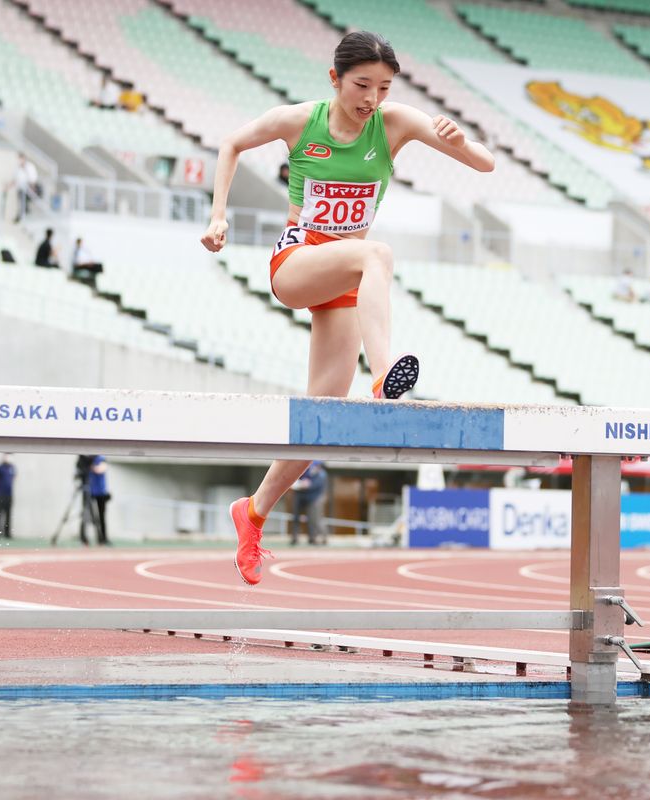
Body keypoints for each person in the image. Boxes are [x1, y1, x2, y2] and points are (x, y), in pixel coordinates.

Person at [203, 30, 494, 585]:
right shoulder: (299, 122)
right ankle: (384, 376)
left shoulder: (395, 123)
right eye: (362, 85)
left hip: (346, 278)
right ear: (334, 79)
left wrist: (462, 140)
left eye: (384, 88)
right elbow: (232, 144)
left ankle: (254, 512)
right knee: (376, 253)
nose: (372, 99)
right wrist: (219, 216)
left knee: (324, 417)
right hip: (300, 261)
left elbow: (484, 165)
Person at [289, 461, 328, 546]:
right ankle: (295, 538)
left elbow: (314, 485)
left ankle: (315, 538)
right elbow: (295, 479)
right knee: (296, 518)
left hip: (313, 498)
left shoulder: (321, 474)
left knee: (314, 519)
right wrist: (302, 483)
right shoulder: (304, 470)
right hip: (300, 496)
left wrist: (307, 484)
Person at [7, 154, 39, 223]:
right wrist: (8, 186)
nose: (20, 161)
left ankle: (24, 217)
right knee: (21, 204)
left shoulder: (29, 167)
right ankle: (21, 217)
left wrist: (32, 188)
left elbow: (33, 179)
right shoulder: (18, 168)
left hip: (28, 189)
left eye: (21, 159)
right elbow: (15, 179)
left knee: (25, 205)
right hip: (20, 189)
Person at [89, 455, 111, 547]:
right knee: (90, 516)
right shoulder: (87, 459)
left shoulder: (100, 458)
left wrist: (91, 467)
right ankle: (87, 538)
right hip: (90, 492)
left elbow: (101, 469)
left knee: (102, 516)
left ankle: (103, 538)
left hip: (101, 493)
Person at [0, 453, 15, 539]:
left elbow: (13, 478)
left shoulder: (12, 467)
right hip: (0, 494)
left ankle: (7, 533)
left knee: (8, 514)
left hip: (9, 494)